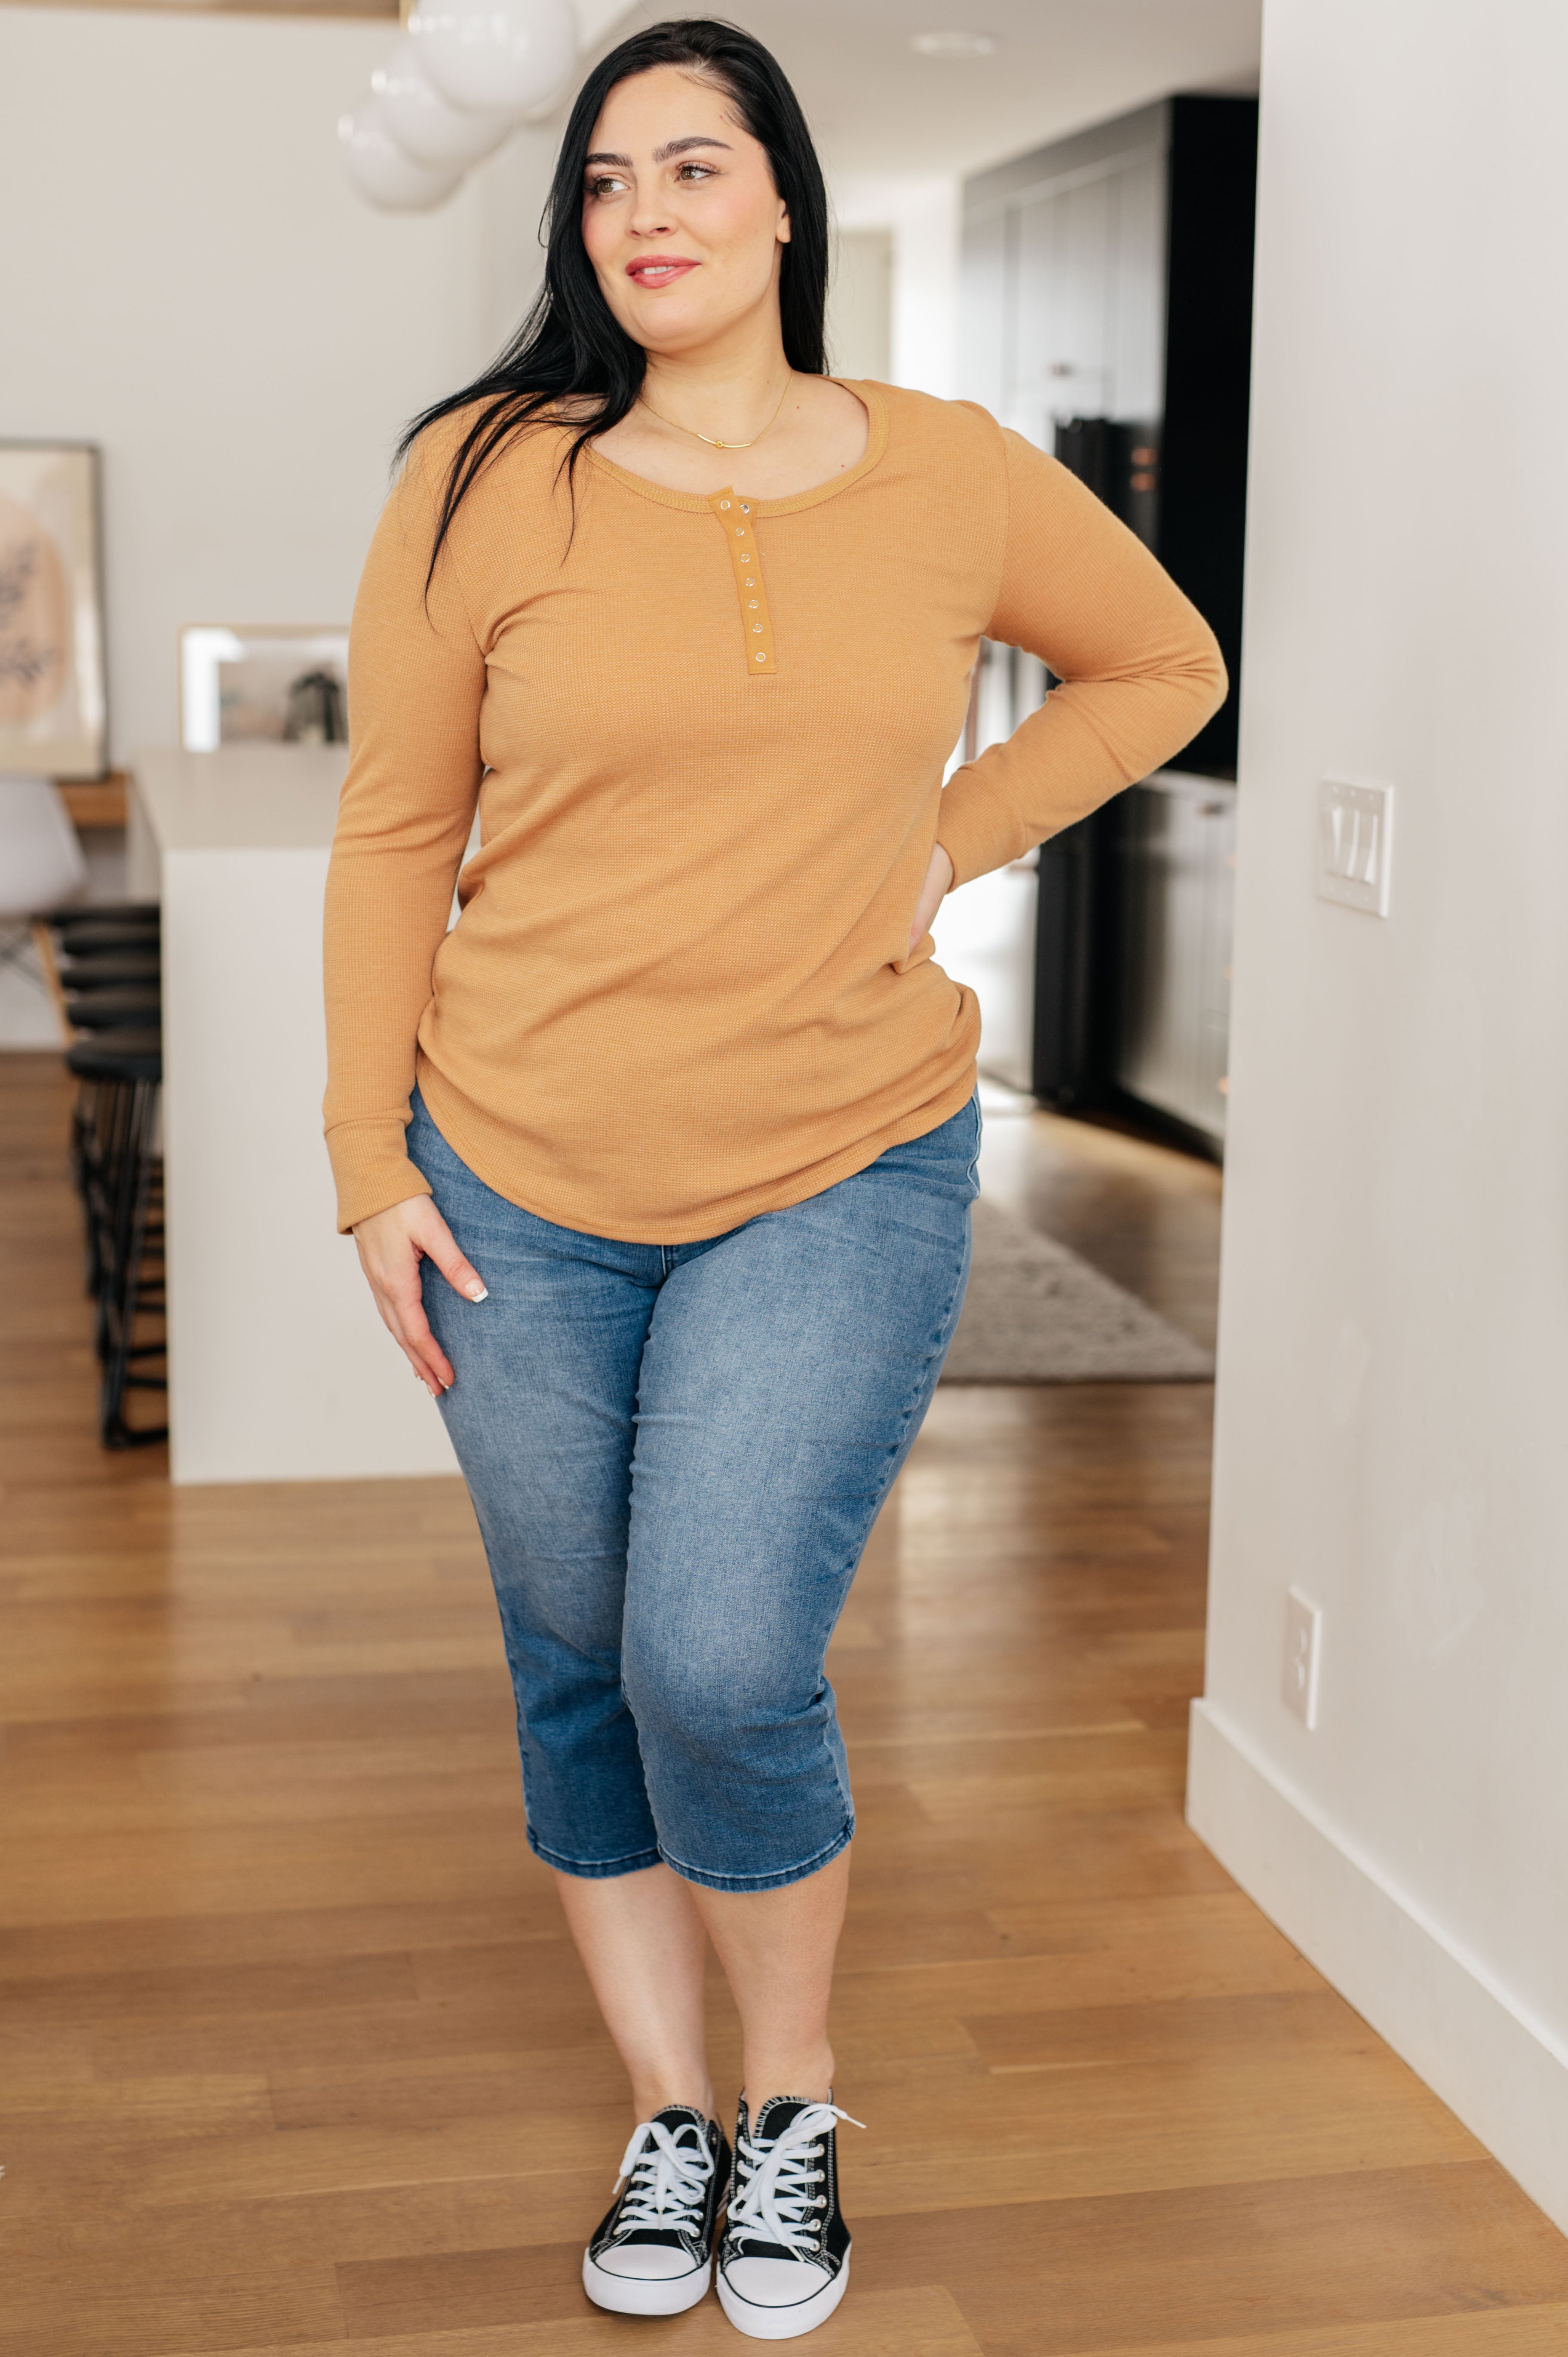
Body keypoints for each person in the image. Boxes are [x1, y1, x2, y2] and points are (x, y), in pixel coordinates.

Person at [322, 17, 1224, 2339]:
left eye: (696, 166)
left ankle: (793, 2105)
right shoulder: (482, 474)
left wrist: (950, 831)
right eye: (609, 177)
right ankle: (667, 2119)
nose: (648, 212)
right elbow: (399, 829)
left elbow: (1161, 661)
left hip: (836, 1156)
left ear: (784, 200)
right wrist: (364, 1165)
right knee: (574, 1659)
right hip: (510, 1170)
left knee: (718, 1652)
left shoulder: (946, 472)